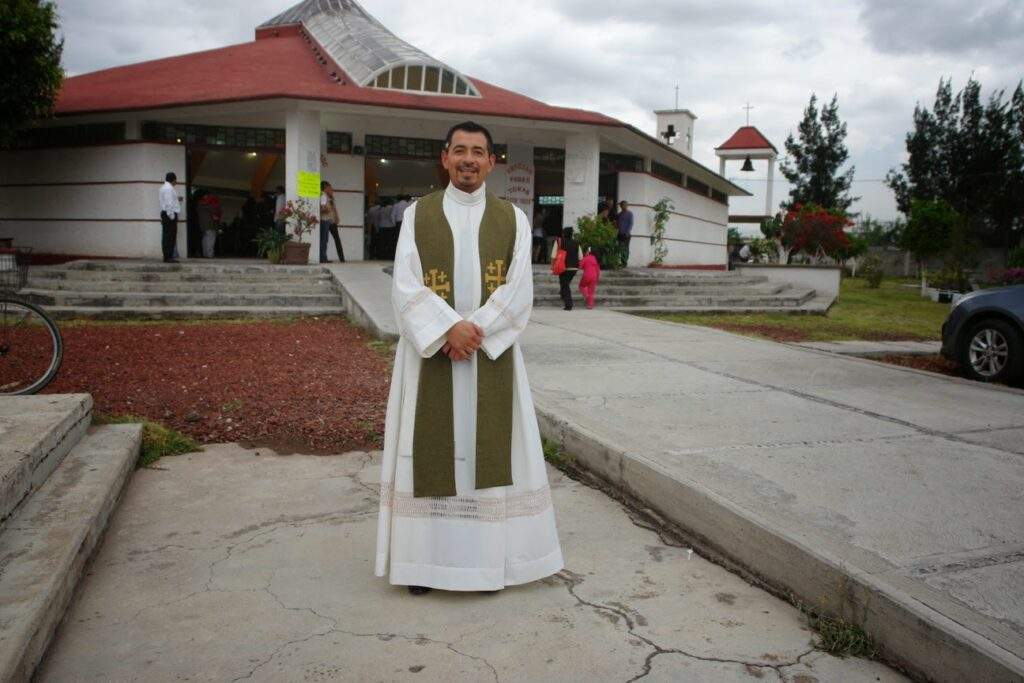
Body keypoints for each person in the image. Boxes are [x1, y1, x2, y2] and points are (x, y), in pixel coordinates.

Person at [376, 120, 564, 595]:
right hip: (433, 355)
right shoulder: (418, 215)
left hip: (488, 357)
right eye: (459, 150)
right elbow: (404, 284)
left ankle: (489, 563)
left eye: (478, 152)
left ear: (491, 161)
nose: (468, 160)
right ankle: (424, 566)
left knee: (487, 453)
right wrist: (447, 330)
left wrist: (470, 331)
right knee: (431, 454)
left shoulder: (513, 219)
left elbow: (519, 288)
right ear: (444, 158)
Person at [554, 226, 580, 310]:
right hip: (574, 268)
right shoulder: (576, 243)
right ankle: (562, 294)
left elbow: (553, 255)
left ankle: (568, 304)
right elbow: (580, 256)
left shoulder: (559, 241)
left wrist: (552, 264)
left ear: (563, 233)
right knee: (565, 283)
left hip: (563, 267)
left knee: (565, 285)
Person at [319, 181, 345, 263]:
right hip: (325, 220)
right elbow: (322, 208)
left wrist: (336, 216)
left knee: (334, 239)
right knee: (324, 240)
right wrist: (327, 209)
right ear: (325, 188)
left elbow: (334, 208)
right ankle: (323, 258)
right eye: (329, 187)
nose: (331, 189)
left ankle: (341, 258)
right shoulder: (323, 195)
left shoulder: (328, 196)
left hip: (331, 220)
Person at [159, 172, 180, 263]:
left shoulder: (163, 187)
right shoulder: (168, 188)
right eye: (175, 179)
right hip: (169, 214)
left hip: (165, 214)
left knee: (166, 235)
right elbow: (168, 203)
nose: (176, 181)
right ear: (173, 179)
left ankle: (167, 256)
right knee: (170, 236)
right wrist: (171, 216)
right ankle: (169, 257)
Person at [196, 190, 222, 258]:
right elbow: (217, 211)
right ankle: (210, 254)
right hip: (211, 224)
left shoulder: (199, 204)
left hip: (202, 224)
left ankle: (205, 254)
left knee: (205, 239)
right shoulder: (210, 204)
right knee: (211, 239)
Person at [616, 200, 634, 266]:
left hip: (626, 234)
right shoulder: (619, 214)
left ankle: (624, 262)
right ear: (620, 206)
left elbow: (631, 223)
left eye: (625, 205)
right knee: (620, 248)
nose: (624, 206)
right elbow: (617, 224)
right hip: (620, 234)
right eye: (622, 205)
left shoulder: (630, 214)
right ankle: (622, 261)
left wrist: (627, 232)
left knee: (625, 248)